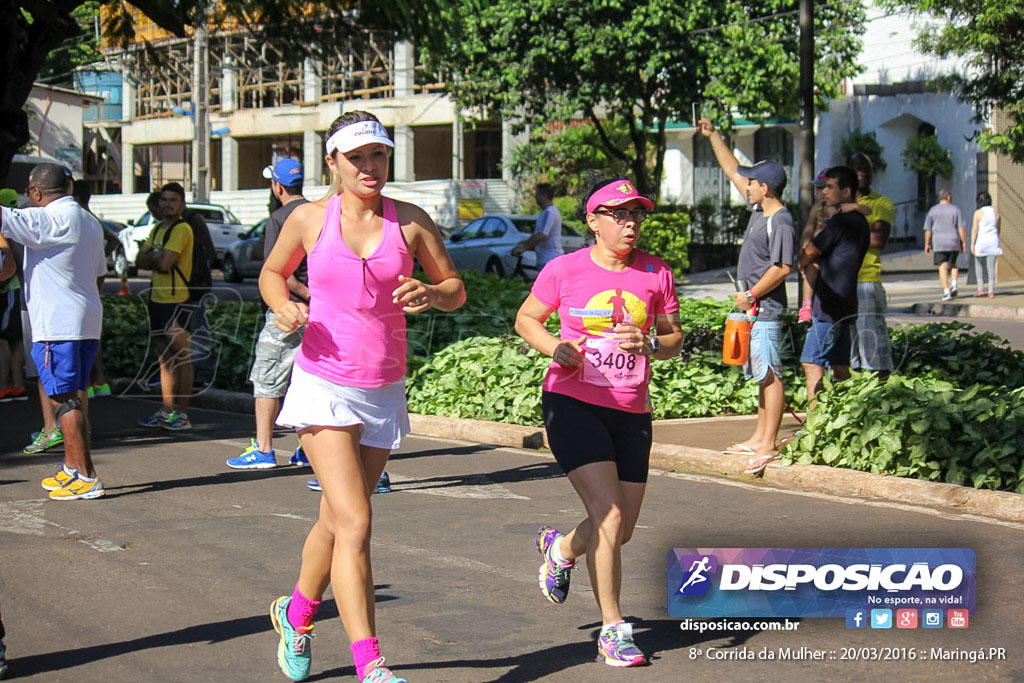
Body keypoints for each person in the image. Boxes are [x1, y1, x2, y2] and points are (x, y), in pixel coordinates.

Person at [261, 111, 465, 683]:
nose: (369, 167)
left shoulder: (413, 222)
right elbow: (272, 274)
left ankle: (295, 615)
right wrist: (282, 306)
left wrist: (433, 290)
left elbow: (455, 289)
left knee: (334, 520)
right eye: (357, 158)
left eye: (378, 155)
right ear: (333, 162)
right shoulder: (307, 219)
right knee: (356, 522)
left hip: (383, 389)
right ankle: (370, 663)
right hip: (324, 383)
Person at [516, 175, 682, 667]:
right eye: (619, 214)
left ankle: (562, 548)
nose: (630, 223)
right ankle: (614, 629)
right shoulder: (563, 270)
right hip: (573, 402)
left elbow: (673, 339)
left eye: (636, 214)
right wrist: (556, 347)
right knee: (608, 517)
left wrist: (652, 344)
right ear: (593, 220)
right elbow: (527, 319)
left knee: (621, 528)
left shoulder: (656, 273)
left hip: (632, 409)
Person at [0, 163, 107, 500]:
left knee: (64, 397)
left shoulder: (48, 218)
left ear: (35, 193)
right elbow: (100, 274)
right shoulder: (89, 221)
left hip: (59, 324)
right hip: (84, 319)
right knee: (71, 393)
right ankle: (72, 468)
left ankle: (87, 475)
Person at [697, 118, 796, 474]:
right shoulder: (758, 209)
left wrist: (751, 294)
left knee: (770, 373)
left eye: (752, 182)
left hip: (765, 309)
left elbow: (783, 267)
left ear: (766, 187)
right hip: (753, 308)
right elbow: (731, 169)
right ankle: (758, 436)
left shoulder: (780, 220)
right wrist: (713, 137)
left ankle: (768, 444)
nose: (746, 185)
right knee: (758, 373)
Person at [226, 158, 310, 470]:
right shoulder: (315, 214)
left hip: (284, 312)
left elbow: (279, 272)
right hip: (317, 315)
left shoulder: (279, 219)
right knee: (306, 381)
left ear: (277, 186)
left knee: (267, 380)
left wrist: (303, 294)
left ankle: (263, 449)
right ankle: (306, 449)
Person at [798, 166, 870, 406]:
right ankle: (846, 417)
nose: (825, 191)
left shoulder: (840, 222)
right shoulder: (859, 221)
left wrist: (802, 261)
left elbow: (811, 251)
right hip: (847, 303)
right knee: (840, 367)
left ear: (846, 191)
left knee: (811, 360)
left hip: (829, 305)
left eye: (830, 187)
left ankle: (814, 425)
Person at [135, 182, 195, 430]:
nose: (167, 204)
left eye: (172, 200)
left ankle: (181, 414)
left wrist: (154, 257)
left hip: (176, 301)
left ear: (182, 204)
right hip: (157, 300)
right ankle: (166, 410)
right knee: (163, 359)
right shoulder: (158, 228)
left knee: (182, 358)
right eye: (164, 200)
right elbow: (140, 260)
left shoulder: (182, 229)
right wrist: (155, 257)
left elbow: (163, 264)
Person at [923, 189, 966, 300]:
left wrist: (927, 243)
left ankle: (946, 292)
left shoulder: (933, 210)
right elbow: (961, 227)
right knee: (954, 264)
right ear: (949, 198)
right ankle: (954, 285)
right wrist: (964, 241)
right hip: (953, 241)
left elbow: (928, 229)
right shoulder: (956, 209)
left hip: (939, 243)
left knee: (942, 266)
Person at [512, 182, 563, 268]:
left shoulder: (549, 212)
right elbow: (537, 234)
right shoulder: (545, 212)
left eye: (537, 194)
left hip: (550, 258)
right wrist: (525, 243)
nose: (535, 197)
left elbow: (542, 235)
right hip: (545, 259)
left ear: (544, 195)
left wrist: (525, 248)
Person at [971, 191, 1002, 299]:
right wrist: (997, 238)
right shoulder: (995, 211)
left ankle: (980, 289)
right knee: (991, 267)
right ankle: (991, 291)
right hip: (993, 240)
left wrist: (972, 244)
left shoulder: (978, 213)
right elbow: (998, 228)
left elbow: (975, 230)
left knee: (978, 264)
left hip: (981, 241)